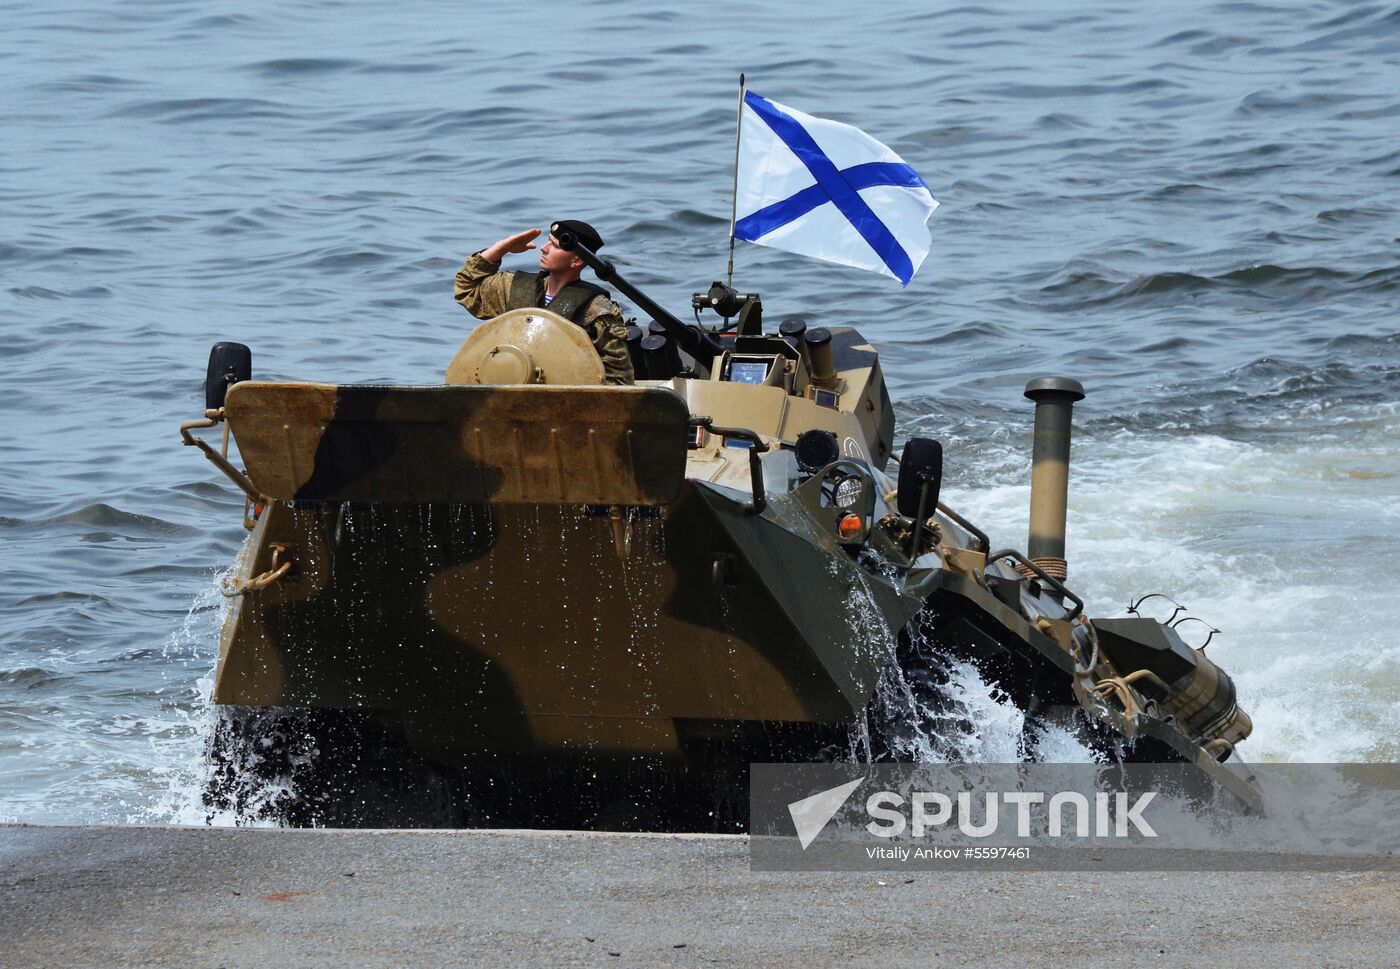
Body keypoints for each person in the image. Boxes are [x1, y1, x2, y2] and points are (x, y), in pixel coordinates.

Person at [454, 220, 634, 384]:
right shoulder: (513, 288)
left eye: (554, 246)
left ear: (577, 260)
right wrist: (501, 248)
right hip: (505, 391)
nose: (544, 248)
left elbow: (618, 380)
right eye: (548, 240)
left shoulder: (595, 310)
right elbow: (466, 288)